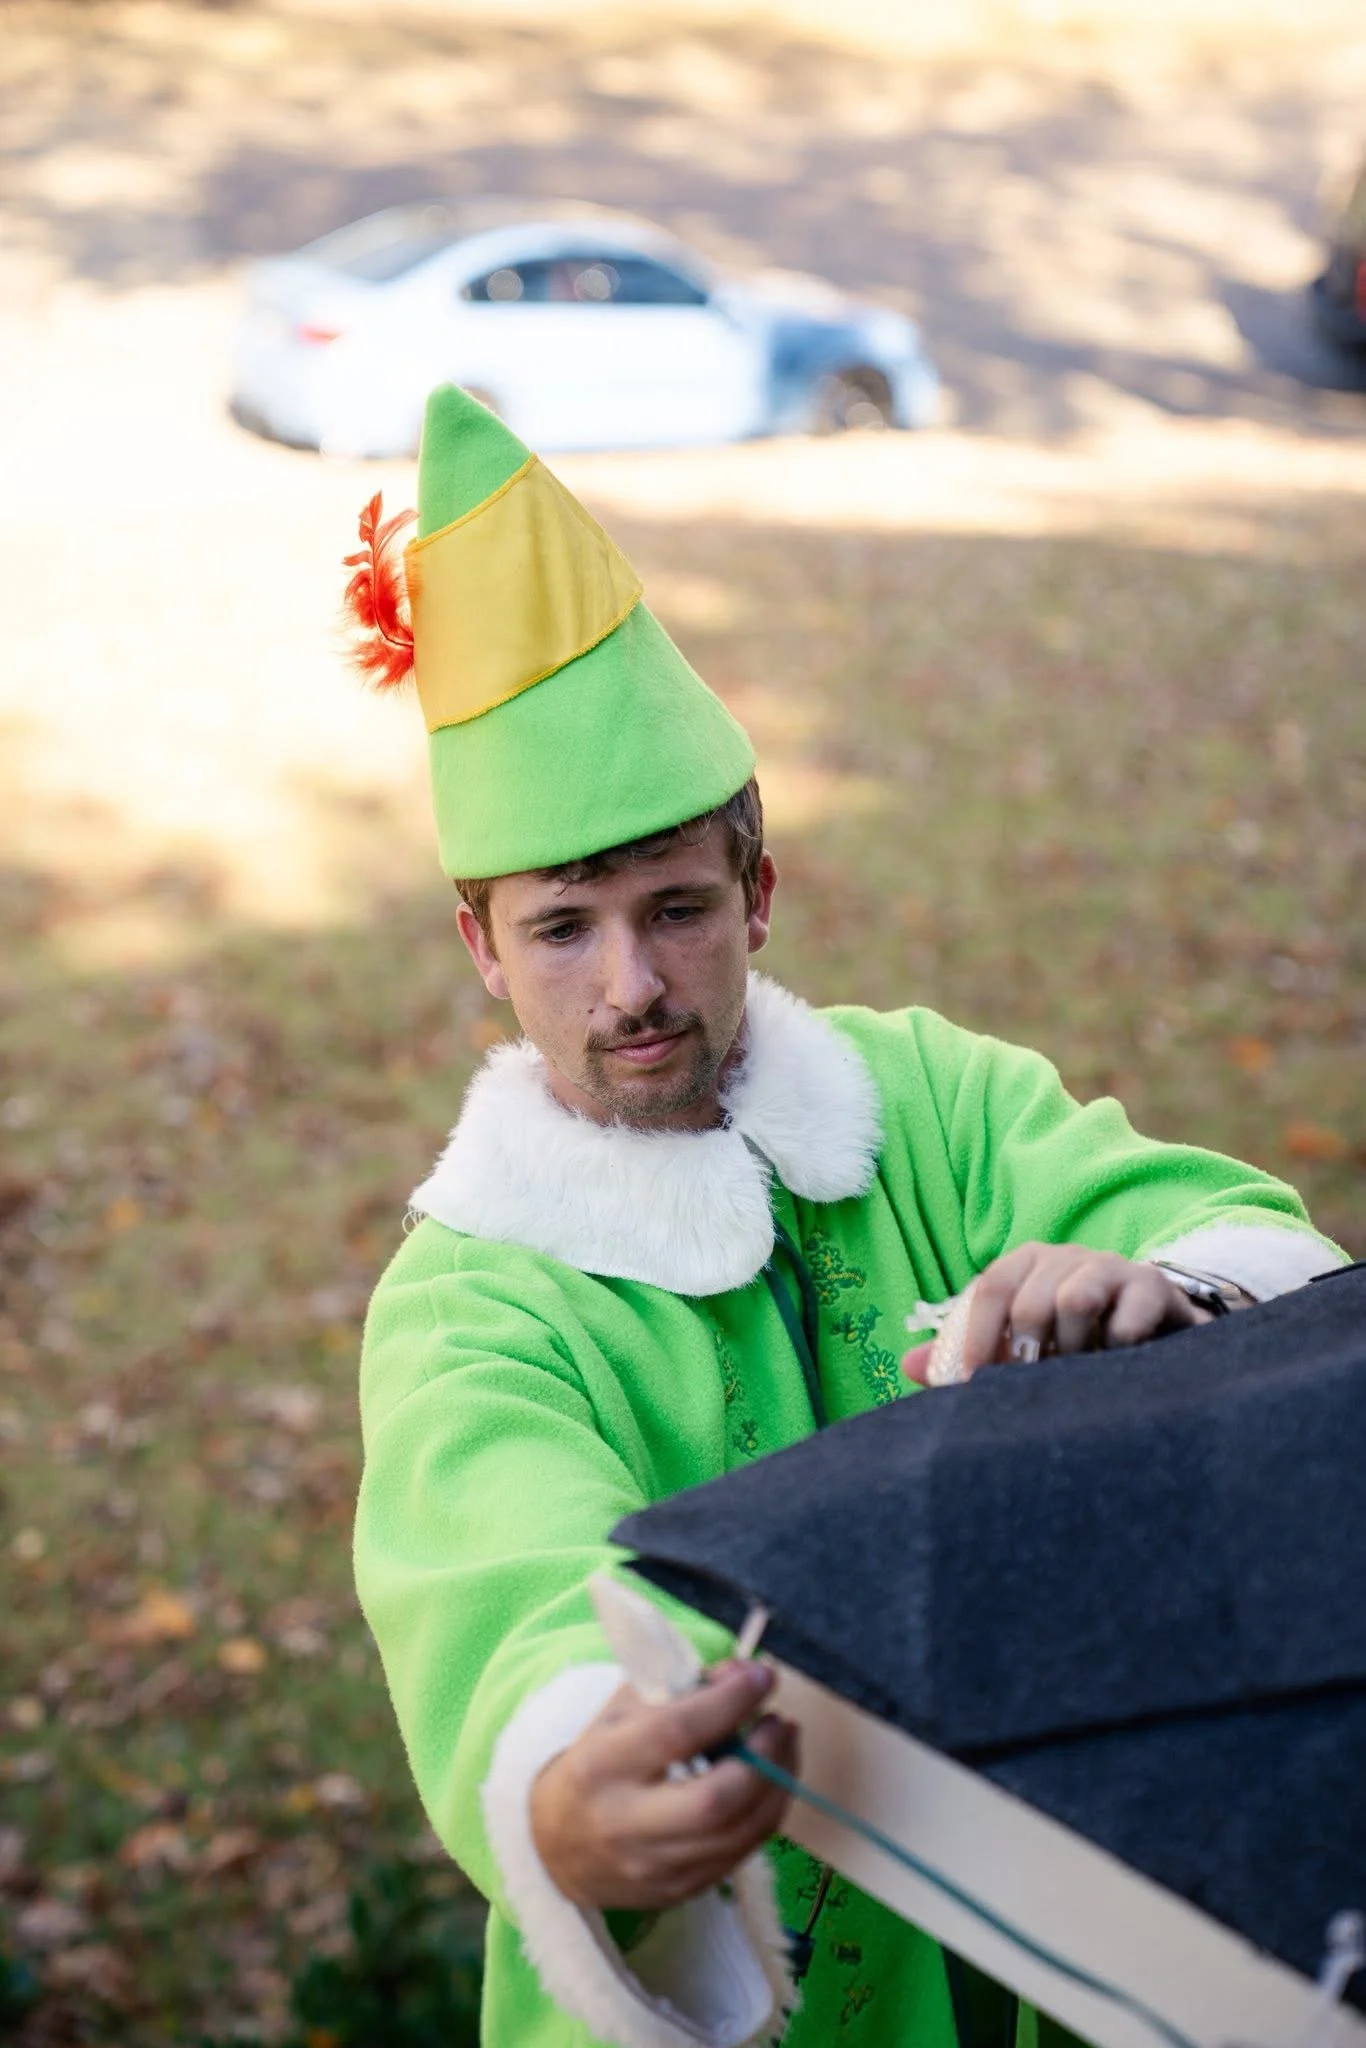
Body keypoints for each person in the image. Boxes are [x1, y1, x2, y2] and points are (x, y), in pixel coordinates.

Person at [350, 386, 1344, 2048]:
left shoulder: (927, 1101)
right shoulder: (475, 1300)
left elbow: (1232, 1229)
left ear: (757, 889)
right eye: (562, 932)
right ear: (478, 947)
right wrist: (570, 1778)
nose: (634, 988)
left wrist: (1162, 1298)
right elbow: (498, 1589)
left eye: (675, 907)